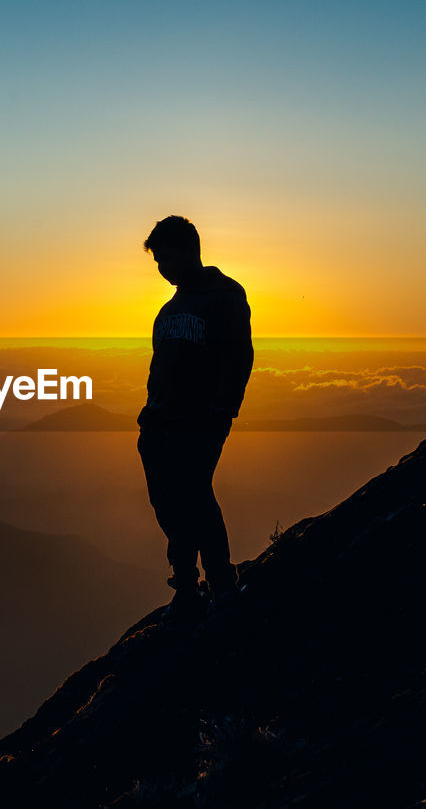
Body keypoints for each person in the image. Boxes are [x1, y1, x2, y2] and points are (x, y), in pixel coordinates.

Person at [136, 215, 254, 620]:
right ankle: (186, 586)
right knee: (167, 503)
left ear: (190, 251)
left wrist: (222, 412)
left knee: (196, 495)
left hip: (199, 422)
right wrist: (149, 416)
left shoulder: (225, 296)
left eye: (167, 259)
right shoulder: (170, 308)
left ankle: (222, 583)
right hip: (159, 422)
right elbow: (160, 365)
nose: (162, 269)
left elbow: (240, 358)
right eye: (158, 263)